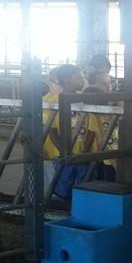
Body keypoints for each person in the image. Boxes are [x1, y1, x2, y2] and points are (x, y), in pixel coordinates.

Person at [42, 64, 87, 194]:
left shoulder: (82, 99)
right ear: (67, 80)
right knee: (62, 186)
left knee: (80, 185)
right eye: (79, 77)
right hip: (61, 155)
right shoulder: (54, 102)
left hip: (81, 152)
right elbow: (52, 130)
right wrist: (64, 150)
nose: (83, 80)